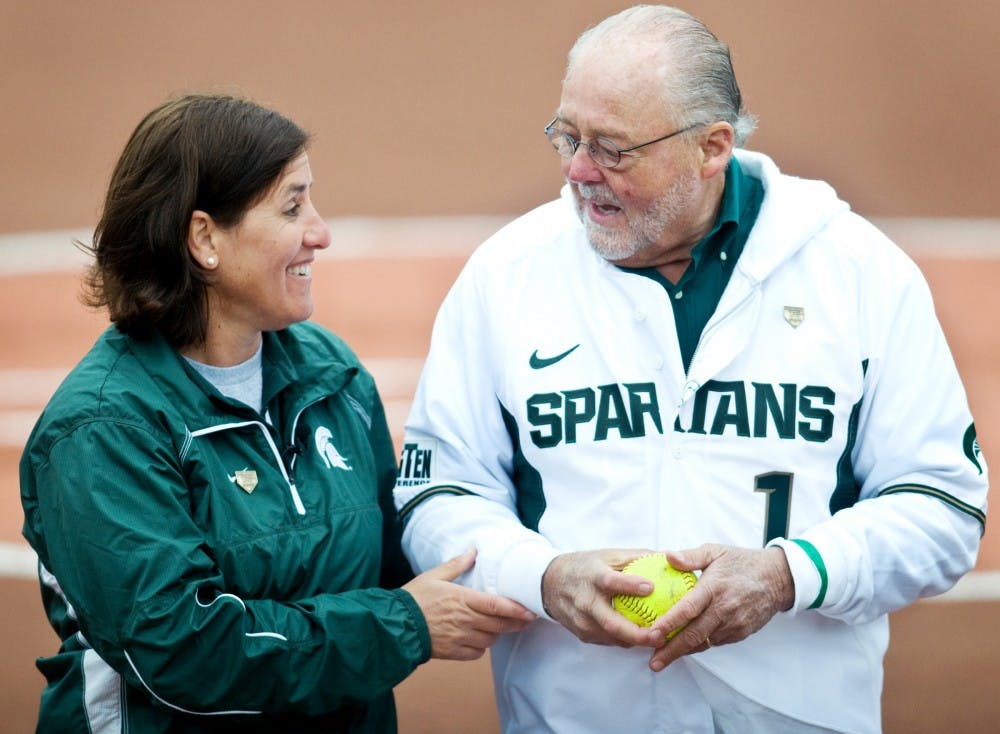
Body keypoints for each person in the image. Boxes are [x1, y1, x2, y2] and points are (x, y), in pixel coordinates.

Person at [393, 5, 989, 733]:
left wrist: (789, 575)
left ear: (713, 147)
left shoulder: (858, 273)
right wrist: (542, 578)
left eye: (613, 148)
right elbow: (439, 492)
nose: (580, 171)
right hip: (577, 719)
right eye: (567, 135)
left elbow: (944, 506)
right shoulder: (507, 277)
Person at [19, 93, 535, 733]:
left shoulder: (328, 373)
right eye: (293, 207)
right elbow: (184, 650)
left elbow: (393, 553)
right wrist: (402, 624)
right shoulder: (104, 430)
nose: (321, 232)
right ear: (204, 238)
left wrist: (553, 561)